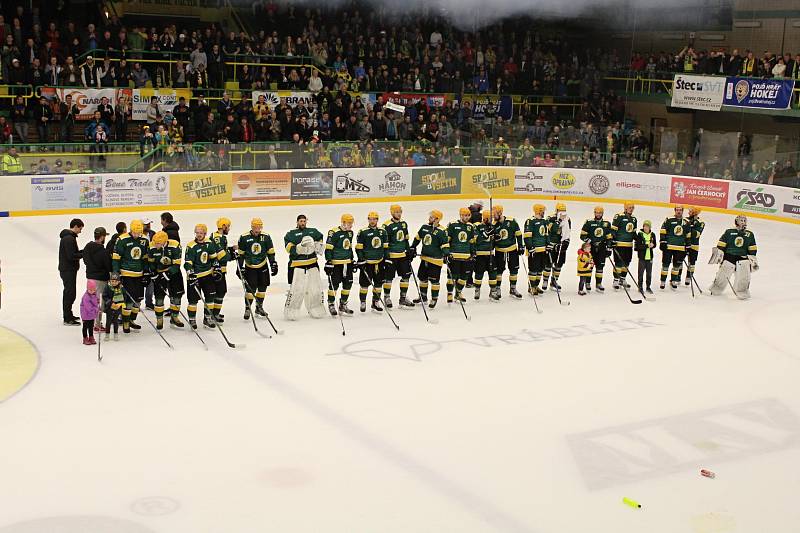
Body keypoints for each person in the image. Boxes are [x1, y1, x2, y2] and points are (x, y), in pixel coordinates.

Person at [283, 214, 326, 320]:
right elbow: (289, 249)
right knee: (297, 290)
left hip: (312, 264)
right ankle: (292, 309)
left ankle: (316, 307)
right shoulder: (291, 234)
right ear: (297, 222)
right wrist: (299, 247)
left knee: (315, 288)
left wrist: (317, 245)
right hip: (297, 265)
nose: (302, 223)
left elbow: (320, 238)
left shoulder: (313, 231)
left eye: (304, 221)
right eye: (300, 221)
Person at [112, 219, 149, 333]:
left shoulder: (144, 240)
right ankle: (126, 322)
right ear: (131, 230)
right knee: (128, 301)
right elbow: (116, 257)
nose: (137, 235)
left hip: (139, 274)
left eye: (139, 232)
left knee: (138, 300)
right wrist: (116, 274)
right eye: (135, 232)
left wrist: (146, 272)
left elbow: (145, 257)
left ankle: (132, 320)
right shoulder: (122, 239)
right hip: (126, 274)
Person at [709, 215, 758, 300]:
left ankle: (742, 291)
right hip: (729, 256)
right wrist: (720, 255)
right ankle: (716, 288)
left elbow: (752, 249)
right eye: (741, 220)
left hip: (742, 257)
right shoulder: (729, 232)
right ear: (736, 222)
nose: (743, 222)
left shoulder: (750, 234)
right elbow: (721, 245)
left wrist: (752, 259)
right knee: (723, 273)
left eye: (744, 220)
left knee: (744, 275)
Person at [237, 218, 278, 320]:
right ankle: (247, 308)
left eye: (259, 227)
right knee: (250, 290)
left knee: (262, 288)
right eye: (255, 227)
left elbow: (270, 252)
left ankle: (259, 307)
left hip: (263, 266)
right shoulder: (244, 237)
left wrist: (273, 263)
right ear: (252, 227)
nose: (257, 229)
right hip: (250, 267)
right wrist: (239, 267)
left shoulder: (266, 237)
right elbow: (241, 255)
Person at [184, 224, 220, 329]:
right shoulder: (191, 246)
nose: (199, 235)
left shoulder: (210, 243)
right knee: (193, 300)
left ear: (205, 233)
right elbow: (187, 262)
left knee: (210, 297)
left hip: (208, 275)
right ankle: (192, 320)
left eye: (201, 233)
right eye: (197, 233)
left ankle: (207, 318)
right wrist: (190, 273)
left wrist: (217, 268)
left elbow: (214, 258)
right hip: (194, 276)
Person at [411, 210, 449, 308]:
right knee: (422, 278)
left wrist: (446, 254)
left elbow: (445, 244)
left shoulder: (442, 231)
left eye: (432, 217)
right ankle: (423, 297)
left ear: (437, 219)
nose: (429, 218)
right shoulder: (424, 228)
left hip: (436, 260)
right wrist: (412, 247)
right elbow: (417, 238)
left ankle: (434, 298)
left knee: (434, 280)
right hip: (425, 258)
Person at [146, 230, 185, 329]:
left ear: (164, 241)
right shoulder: (151, 246)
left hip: (174, 273)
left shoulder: (175, 245)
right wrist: (153, 273)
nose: (156, 245)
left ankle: (174, 317)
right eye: (155, 242)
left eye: (158, 243)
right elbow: (150, 262)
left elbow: (177, 264)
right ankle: (159, 320)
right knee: (159, 298)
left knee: (176, 296)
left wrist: (168, 273)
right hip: (159, 274)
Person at [381, 204, 415, 308]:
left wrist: (409, 251)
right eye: (396, 212)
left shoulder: (404, 224)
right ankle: (386, 297)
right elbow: (384, 243)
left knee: (406, 277)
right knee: (388, 278)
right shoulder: (386, 225)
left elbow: (406, 239)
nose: (399, 214)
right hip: (391, 256)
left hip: (403, 256)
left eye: (400, 212)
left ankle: (403, 298)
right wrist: (386, 256)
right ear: (392, 213)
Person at [355, 211, 388, 313]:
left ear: (377, 220)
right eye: (370, 219)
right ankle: (363, 301)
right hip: (367, 263)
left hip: (379, 262)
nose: (372, 221)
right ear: (368, 220)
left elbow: (386, 247)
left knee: (378, 284)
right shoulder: (363, 232)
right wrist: (361, 259)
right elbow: (359, 248)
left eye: (374, 219)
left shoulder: (383, 231)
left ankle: (375, 302)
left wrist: (386, 259)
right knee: (364, 284)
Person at [324, 214, 355, 316]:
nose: (351, 225)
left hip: (347, 263)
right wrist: (329, 261)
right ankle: (331, 303)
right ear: (343, 222)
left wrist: (352, 259)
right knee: (334, 285)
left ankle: (343, 304)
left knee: (348, 284)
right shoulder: (334, 232)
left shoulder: (350, 233)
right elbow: (328, 248)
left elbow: (349, 247)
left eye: (351, 223)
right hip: (336, 264)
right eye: (349, 223)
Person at [491, 204, 524, 299]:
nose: (493, 216)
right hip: (499, 251)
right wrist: (493, 240)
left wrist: (521, 246)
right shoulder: (493, 225)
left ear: (500, 213)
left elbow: (518, 234)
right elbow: (491, 241)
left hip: (512, 250)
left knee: (514, 269)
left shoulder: (511, 221)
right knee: (498, 270)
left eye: (495, 214)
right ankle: (498, 288)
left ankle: (513, 288)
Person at [445, 208, 476, 303]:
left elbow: (472, 241)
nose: (466, 217)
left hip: (466, 256)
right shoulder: (453, 225)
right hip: (454, 256)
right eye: (464, 215)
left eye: (468, 215)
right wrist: (446, 253)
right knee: (451, 277)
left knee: (464, 277)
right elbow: (447, 240)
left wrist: (473, 252)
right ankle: (450, 293)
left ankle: (458, 293)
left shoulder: (471, 226)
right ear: (460, 215)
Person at [82, 226, 111, 331]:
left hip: (90, 278)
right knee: (99, 302)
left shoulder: (87, 247)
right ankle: (97, 324)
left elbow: (85, 261)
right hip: (100, 279)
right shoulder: (103, 251)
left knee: (91, 301)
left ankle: (91, 322)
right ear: (102, 237)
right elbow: (108, 266)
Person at [580, 207, 612, 291]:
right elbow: (582, 235)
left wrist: (609, 248)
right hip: (591, 248)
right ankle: (587, 283)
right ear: (594, 213)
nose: (598, 214)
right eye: (597, 213)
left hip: (602, 248)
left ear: (602, 213)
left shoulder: (607, 223)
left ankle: (598, 283)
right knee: (590, 266)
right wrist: (590, 241)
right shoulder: (589, 222)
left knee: (600, 266)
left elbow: (609, 237)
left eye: (600, 213)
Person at [59, 218, 84, 325]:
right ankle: (67, 318)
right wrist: (84, 254)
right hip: (68, 270)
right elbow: (71, 256)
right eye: (80, 228)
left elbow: (73, 253)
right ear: (76, 226)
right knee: (70, 293)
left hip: (68, 269)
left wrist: (83, 251)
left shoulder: (69, 238)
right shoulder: (69, 239)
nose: (81, 231)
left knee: (70, 292)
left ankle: (69, 314)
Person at [659, 206, 690, 290]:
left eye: (680, 210)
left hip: (680, 248)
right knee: (665, 264)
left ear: (683, 211)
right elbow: (663, 230)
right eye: (677, 210)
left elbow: (688, 235)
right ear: (675, 211)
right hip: (668, 247)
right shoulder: (669, 219)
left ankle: (673, 281)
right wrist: (663, 241)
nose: (679, 212)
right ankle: (663, 281)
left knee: (676, 266)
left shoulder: (686, 222)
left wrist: (688, 245)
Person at [543, 203, 571, 291]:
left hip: (561, 245)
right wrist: (558, 221)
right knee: (548, 264)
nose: (562, 213)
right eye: (560, 211)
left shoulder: (568, 219)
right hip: (551, 244)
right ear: (556, 211)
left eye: (564, 211)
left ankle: (554, 281)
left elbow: (568, 232)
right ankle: (545, 281)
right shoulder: (550, 218)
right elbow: (552, 230)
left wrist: (566, 242)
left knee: (559, 265)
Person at [524, 204, 549, 296]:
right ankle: (531, 287)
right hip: (534, 250)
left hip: (543, 250)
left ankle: (536, 286)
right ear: (539, 211)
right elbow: (527, 236)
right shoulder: (530, 221)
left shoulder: (544, 221)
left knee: (540, 269)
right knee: (533, 270)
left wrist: (548, 244)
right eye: (543, 211)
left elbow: (546, 234)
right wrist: (530, 247)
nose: (544, 213)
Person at [610, 202, 637, 290]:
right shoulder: (619, 216)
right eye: (629, 207)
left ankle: (623, 279)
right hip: (619, 244)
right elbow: (613, 230)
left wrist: (639, 240)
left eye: (632, 207)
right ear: (625, 208)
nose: (631, 209)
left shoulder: (634, 219)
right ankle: (616, 280)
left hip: (629, 245)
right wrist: (612, 240)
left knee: (627, 263)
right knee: (618, 263)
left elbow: (633, 233)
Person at [210, 218, 233, 322]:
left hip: (220, 270)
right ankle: (213, 314)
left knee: (220, 291)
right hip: (216, 271)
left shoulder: (220, 237)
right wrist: (232, 256)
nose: (228, 228)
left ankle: (214, 313)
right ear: (223, 226)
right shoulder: (217, 238)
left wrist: (231, 250)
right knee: (219, 292)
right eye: (228, 226)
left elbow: (223, 251)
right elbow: (222, 256)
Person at [473, 210, 499, 300]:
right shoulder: (477, 226)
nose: (492, 220)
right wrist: (486, 234)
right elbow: (476, 240)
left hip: (491, 254)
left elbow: (495, 240)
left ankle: (493, 291)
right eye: (490, 218)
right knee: (479, 273)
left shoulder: (493, 226)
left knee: (493, 273)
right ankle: (477, 289)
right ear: (485, 218)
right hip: (480, 255)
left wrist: (497, 238)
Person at [635, 220, 657, 295]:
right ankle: (640, 286)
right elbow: (637, 247)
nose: (645, 228)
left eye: (647, 226)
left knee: (649, 273)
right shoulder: (640, 235)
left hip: (649, 257)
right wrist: (647, 246)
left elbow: (655, 244)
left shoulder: (652, 234)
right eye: (644, 226)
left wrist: (653, 245)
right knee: (640, 273)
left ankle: (648, 287)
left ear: (650, 227)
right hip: (642, 258)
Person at [685, 206, 705, 286]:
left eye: (690, 211)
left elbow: (696, 234)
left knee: (692, 263)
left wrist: (689, 227)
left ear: (694, 213)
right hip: (685, 244)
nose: (688, 213)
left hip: (694, 245)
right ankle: (677, 278)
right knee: (679, 261)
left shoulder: (701, 222)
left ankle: (688, 278)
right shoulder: (685, 220)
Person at [103, 272, 124, 341]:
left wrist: (120, 303)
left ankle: (116, 334)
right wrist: (110, 303)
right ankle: (107, 334)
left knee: (115, 321)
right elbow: (104, 296)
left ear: (119, 281)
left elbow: (124, 297)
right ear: (110, 281)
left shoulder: (121, 288)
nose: (114, 283)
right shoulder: (107, 287)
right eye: (112, 281)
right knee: (108, 321)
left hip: (117, 307)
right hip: (109, 307)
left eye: (116, 281)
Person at [142, 218, 156, 310]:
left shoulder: (153, 234)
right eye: (146, 224)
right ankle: (136, 303)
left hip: (150, 261)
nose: (149, 226)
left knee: (150, 283)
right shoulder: (138, 235)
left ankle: (149, 302)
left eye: (149, 224)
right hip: (141, 263)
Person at [80, 280, 100, 345]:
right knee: (85, 326)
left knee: (91, 326)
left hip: (92, 315)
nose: (92, 291)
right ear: (87, 289)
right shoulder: (86, 297)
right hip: (86, 314)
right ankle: (85, 338)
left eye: (93, 290)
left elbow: (95, 303)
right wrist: (96, 309)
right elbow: (89, 308)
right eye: (90, 290)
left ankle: (91, 337)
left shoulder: (94, 295)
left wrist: (97, 301)